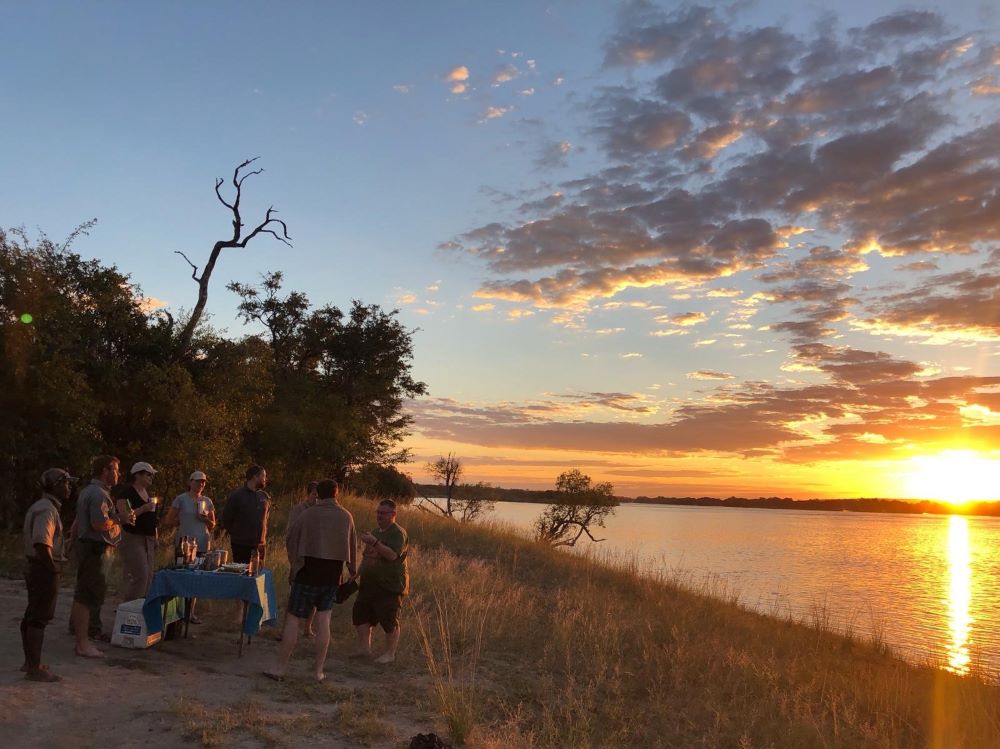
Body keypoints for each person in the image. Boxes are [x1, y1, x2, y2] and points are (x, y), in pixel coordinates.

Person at [265, 478, 357, 682]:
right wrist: (352, 570)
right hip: (332, 575)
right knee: (324, 620)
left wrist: (295, 562)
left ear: (319, 494)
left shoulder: (308, 514)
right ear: (337, 493)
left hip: (307, 572)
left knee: (293, 619)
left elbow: (291, 538)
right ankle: (318, 671)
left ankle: (280, 668)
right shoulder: (346, 516)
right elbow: (352, 546)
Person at [71, 455, 131, 658]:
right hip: (95, 549)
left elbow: (78, 522)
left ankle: (81, 636)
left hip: (88, 548)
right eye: (115, 469)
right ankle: (83, 643)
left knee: (85, 593)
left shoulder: (90, 491)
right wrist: (119, 518)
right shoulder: (98, 494)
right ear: (105, 471)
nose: (118, 474)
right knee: (87, 596)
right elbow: (99, 524)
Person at [21, 467, 76, 682]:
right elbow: (42, 543)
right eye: (66, 483)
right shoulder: (47, 510)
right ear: (56, 485)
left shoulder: (43, 506)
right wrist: (52, 569)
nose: (69, 486)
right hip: (42, 567)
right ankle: (35, 668)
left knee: (32, 614)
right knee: (39, 618)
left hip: (35, 566)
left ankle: (30, 663)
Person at [353, 498, 409, 664]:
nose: (379, 515)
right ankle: (364, 650)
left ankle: (390, 654)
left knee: (389, 620)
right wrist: (356, 575)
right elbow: (367, 556)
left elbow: (392, 555)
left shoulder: (398, 533)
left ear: (393, 514)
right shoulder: (375, 531)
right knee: (360, 616)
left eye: (383, 513)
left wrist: (375, 543)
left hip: (389, 585)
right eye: (377, 512)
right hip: (369, 583)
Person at [117, 461, 160, 602]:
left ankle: (140, 607)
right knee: (140, 574)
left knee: (148, 576)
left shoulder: (148, 494)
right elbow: (123, 517)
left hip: (149, 538)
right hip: (133, 537)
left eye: (152, 475)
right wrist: (143, 508)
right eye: (148, 474)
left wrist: (156, 537)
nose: (151, 477)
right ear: (138, 475)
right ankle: (128, 606)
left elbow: (153, 518)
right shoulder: (127, 494)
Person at [287, 481, 319, 636]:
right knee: (295, 596)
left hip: (316, 559)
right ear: (308, 494)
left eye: (319, 496)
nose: (317, 499)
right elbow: (290, 535)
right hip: (300, 558)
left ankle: (308, 628)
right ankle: (286, 630)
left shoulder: (321, 512)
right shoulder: (299, 510)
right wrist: (294, 560)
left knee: (314, 597)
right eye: (314, 495)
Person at [222, 465, 271, 565]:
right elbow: (226, 519)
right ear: (255, 477)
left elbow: (265, 518)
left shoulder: (264, 496)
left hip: (260, 546)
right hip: (241, 545)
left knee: (258, 576)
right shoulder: (237, 496)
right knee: (242, 576)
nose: (265, 479)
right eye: (263, 476)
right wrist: (238, 534)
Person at [164, 470, 217, 556]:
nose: (200, 484)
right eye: (197, 481)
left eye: (203, 482)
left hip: (203, 544)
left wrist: (205, 519)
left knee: (200, 569)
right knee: (183, 568)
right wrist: (180, 522)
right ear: (190, 482)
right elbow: (168, 520)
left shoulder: (207, 501)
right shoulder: (181, 499)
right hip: (184, 544)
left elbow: (213, 524)